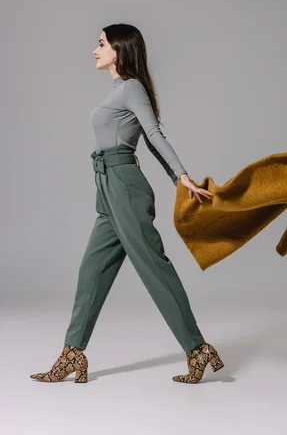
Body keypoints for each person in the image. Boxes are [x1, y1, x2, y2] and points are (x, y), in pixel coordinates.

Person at [30, 23, 224, 385]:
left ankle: (198, 348)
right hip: (106, 185)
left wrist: (181, 177)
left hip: (124, 185)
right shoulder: (119, 91)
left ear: (120, 49)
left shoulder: (132, 88)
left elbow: (153, 135)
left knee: (154, 269)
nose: (95, 49)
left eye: (101, 43)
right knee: (92, 271)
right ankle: (73, 353)